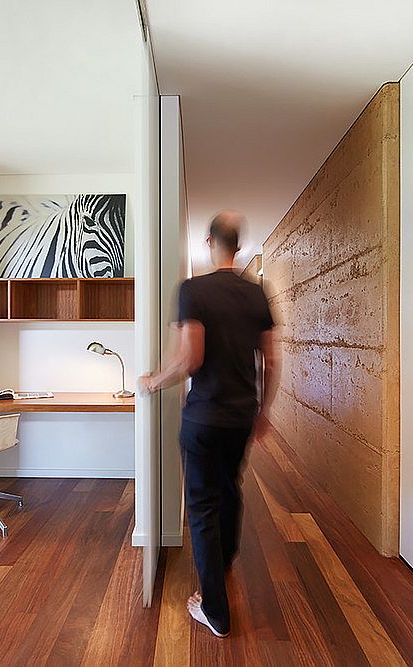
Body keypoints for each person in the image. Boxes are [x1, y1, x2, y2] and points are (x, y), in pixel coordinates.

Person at [140, 210, 280, 638]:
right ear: (237, 246)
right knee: (230, 489)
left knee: (201, 507)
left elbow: (190, 359)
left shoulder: (193, 290)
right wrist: (263, 412)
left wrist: (152, 382)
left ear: (208, 242)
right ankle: (223, 563)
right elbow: (271, 360)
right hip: (240, 417)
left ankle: (214, 610)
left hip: (203, 418)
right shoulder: (258, 294)